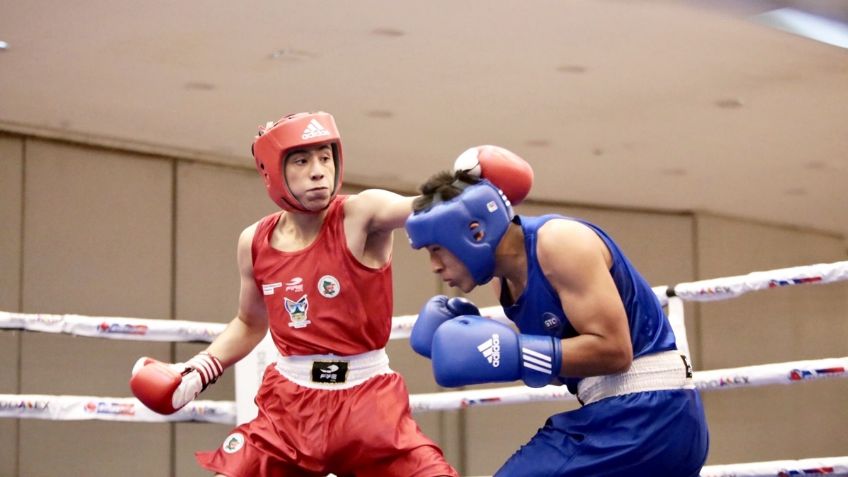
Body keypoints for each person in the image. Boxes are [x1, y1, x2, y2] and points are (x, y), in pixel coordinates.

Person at [129, 111, 459, 477]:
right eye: (302, 160)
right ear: (273, 170)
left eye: (325, 157)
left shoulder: (360, 215)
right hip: (289, 407)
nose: (319, 170)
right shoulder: (253, 241)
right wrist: (200, 370)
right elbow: (250, 322)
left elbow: (415, 208)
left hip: (369, 403)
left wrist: (461, 193)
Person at [405, 162, 710, 476]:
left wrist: (515, 351)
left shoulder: (560, 243)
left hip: (649, 415)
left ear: (475, 232)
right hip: (622, 418)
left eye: (436, 249)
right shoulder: (503, 281)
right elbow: (560, 366)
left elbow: (615, 351)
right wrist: (492, 350)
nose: (434, 266)